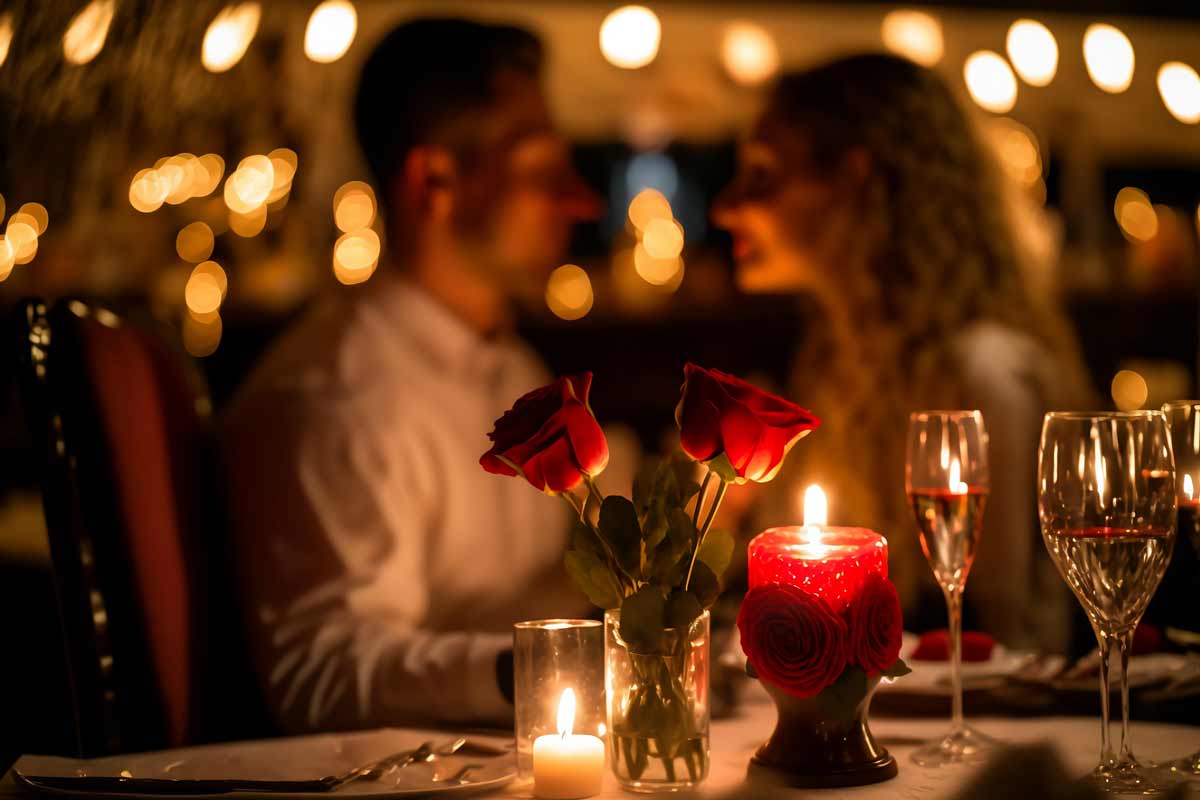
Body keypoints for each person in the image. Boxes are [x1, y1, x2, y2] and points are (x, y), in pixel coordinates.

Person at [220, 17, 601, 732]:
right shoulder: (336, 396)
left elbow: (526, 589)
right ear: (434, 180)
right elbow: (321, 673)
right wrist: (538, 670)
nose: (580, 200)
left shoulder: (513, 366)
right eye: (540, 167)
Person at [712, 54, 1095, 653]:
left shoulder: (985, 373)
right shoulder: (836, 361)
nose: (726, 206)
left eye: (762, 174)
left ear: (855, 180)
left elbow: (1015, 640)